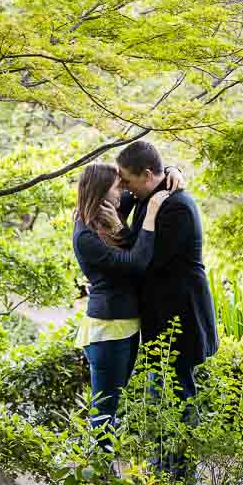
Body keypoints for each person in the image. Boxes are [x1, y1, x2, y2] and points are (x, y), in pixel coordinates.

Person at [113, 139, 218, 400]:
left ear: (147, 175)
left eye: (126, 180)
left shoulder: (176, 206)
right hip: (162, 318)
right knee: (162, 394)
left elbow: (147, 262)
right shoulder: (147, 195)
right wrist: (173, 168)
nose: (123, 188)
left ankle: (185, 441)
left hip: (179, 317)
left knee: (178, 394)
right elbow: (108, 195)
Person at [72, 162, 169, 433]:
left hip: (124, 326)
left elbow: (147, 180)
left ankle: (102, 468)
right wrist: (150, 217)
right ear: (103, 192)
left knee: (112, 404)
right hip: (108, 330)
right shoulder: (86, 236)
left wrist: (173, 172)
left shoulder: (106, 211)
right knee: (104, 409)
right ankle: (99, 473)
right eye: (118, 187)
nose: (123, 191)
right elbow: (135, 263)